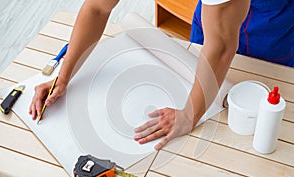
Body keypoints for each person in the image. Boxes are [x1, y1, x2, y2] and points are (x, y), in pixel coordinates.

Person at [30, 0, 255, 150]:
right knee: (205, 42)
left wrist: (189, 115)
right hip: (220, 10)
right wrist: (64, 76)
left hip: (269, 18)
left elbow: (223, 47)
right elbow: (97, 8)